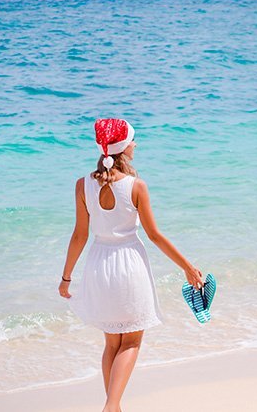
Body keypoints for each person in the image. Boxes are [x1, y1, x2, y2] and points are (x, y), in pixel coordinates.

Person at [59, 118, 204, 412]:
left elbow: (79, 235)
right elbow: (154, 235)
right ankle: (112, 406)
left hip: (99, 265)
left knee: (112, 343)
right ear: (124, 147)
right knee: (132, 342)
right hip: (128, 266)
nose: (135, 144)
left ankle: (114, 406)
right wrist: (188, 267)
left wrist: (66, 277)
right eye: (133, 140)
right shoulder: (136, 186)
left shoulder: (82, 185)